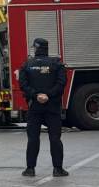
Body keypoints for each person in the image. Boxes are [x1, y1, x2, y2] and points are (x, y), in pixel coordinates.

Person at [18, 37, 68, 177]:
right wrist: (48, 95)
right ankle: (58, 169)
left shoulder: (27, 64)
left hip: (35, 107)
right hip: (52, 106)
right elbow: (61, 83)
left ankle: (30, 169)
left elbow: (23, 84)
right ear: (46, 49)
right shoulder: (57, 64)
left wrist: (36, 95)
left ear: (35, 48)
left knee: (33, 138)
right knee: (55, 138)